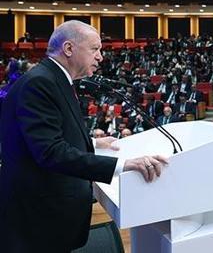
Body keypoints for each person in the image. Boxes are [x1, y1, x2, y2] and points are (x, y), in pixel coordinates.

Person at [0, 20, 167, 252]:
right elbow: (49, 152)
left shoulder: (54, 79)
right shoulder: (40, 83)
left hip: (46, 218)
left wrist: (93, 143)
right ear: (69, 48)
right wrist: (123, 165)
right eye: (94, 49)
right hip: (36, 222)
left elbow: (50, 135)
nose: (100, 56)